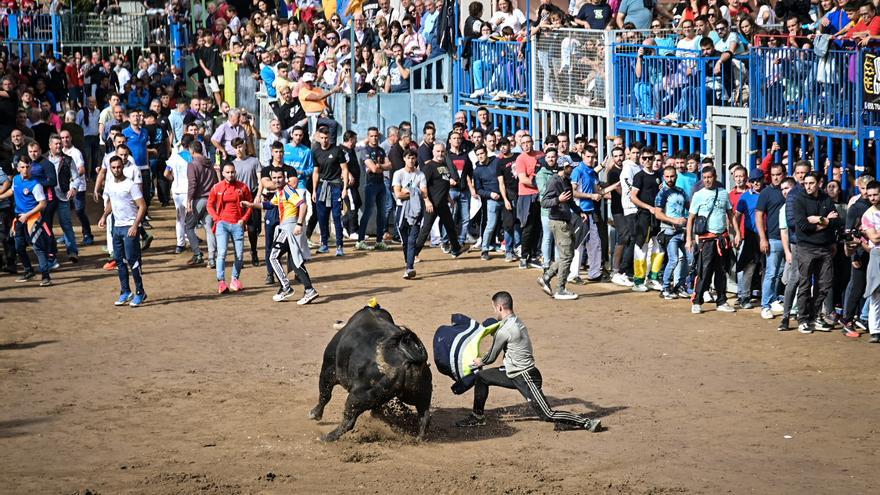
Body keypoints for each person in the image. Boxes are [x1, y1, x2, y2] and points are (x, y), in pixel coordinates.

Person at [455, 291, 601, 431]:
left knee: (547, 414)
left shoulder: (504, 330)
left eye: (494, 308)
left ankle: (586, 422)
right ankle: (477, 416)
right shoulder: (516, 321)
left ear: (500, 307)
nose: (494, 311)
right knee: (482, 377)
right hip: (512, 372)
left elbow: (490, 358)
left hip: (526, 376)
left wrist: (479, 361)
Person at [242, 169, 319, 305]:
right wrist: (252, 205)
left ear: (285, 178)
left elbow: (302, 205)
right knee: (295, 262)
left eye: (279, 177)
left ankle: (286, 287)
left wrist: (299, 224)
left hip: (289, 228)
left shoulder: (288, 190)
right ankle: (309, 289)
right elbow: (270, 205)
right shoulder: (280, 192)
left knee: (273, 256)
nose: (277, 180)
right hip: (288, 228)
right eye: (274, 178)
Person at [686, 166, 739, 314]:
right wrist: (689, 239)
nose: (707, 180)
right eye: (705, 178)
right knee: (704, 270)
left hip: (722, 238)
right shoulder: (698, 195)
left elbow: (730, 214)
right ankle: (697, 301)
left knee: (722, 271)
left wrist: (737, 233)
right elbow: (690, 219)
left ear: (715, 177)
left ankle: (721, 301)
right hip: (706, 239)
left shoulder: (723, 193)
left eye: (710, 177)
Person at [792, 172, 840, 333]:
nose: (808, 186)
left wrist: (819, 219)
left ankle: (814, 316)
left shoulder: (826, 199)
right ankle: (803, 319)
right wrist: (825, 221)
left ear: (819, 183)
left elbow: (836, 222)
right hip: (806, 248)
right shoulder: (799, 200)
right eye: (805, 183)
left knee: (825, 284)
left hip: (825, 248)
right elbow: (803, 226)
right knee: (805, 285)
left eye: (811, 183)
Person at [98, 155, 148, 306]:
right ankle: (125, 291)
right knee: (119, 261)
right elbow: (111, 202)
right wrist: (104, 215)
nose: (116, 170)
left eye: (118, 167)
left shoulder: (130, 185)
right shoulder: (110, 185)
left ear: (123, 167)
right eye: (113, 167)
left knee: (133, 261)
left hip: (129, 227)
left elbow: (142, 206)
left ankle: (140, 292)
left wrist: (135, 225)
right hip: (117, 227)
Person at [537, 150, 584, 301]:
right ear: (564, 167)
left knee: (567, 254)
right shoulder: (555, 181)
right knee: (567, 256)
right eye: (570, 167)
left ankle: (546, 277)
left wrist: (579, 211)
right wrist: (558, 199)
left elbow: (569, 200)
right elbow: (544, 202)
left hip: (566, 220)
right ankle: (560, 289)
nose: (572, 169)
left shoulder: (566, 181)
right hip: (558, 222)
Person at [0, 156, 52, 285]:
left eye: (27, 167)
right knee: (19, 247)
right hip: (19, 218)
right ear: (17, 168)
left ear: (31, 167)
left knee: (38, 248)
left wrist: (27, 215)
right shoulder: (16, 180)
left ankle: (46, 277)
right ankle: (29, 271)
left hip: (33, 219)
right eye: (22, 167)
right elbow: (12, 191)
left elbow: (42, 204)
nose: (25, 170)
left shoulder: (35, 184)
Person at [207, 162, 253, 294]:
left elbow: (249, 205)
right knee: (222, 253)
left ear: (235, 172)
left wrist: (243, 219)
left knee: (239, 254)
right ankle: (221, 281)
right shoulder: (217, 188)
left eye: (232, 172)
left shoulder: (243, 187)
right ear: (222, 173)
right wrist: (217, 219)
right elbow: (209, 205)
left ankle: (234, 279)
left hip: (237, 224)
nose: (230, 174)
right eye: (227, 172)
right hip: (222, 224)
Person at [415, 142, 463, 258]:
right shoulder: (429, 167)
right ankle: (413, 254)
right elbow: (422, 186)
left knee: (450, 227)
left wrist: (449, 198)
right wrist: (427, 201)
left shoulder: (445, 166)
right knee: (426, 229)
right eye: (438, 151)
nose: (440, 154)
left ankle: (455, 249)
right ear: (433, 152)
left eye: (442, 151)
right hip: (432, 204)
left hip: (443, 203)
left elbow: (443, 184)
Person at [755, 164, 788, 319]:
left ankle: (774, 298)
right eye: (773, 174)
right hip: (773, 238)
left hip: (789, 239)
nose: (776, 177)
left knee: (781, 272)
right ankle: (765, 305)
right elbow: (759, 215)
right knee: (771, 273)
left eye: (779, 174)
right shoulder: (766, 193)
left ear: (784, 174)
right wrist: (763, 238)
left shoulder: (790, 190)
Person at [654, 165, 691, 299]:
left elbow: (690, 207)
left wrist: (687, 220)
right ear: (664, 177)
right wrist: (674, 221)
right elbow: (658, 214)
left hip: (683, 231)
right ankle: (665, 288)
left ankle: (680, 286)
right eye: (667, 176)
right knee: (674, 259)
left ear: (676, 176)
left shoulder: (681, 191)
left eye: (672, 176)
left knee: (689, 259)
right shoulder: (662, 193)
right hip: (669, 231)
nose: (670, 179)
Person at [311, 127, 350, 256]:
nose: (324, 140)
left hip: (335, 186)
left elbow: (344, 170)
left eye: (326, 138)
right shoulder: (315, 152)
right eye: (321, 138)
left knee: (336, 216)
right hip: (322, 187)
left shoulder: (337, 150)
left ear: (330, 137)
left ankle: (339, 246)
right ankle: (324, 244)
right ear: (318, 137)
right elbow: (315, 172)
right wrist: (314, 191)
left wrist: (344, 188)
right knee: (322, 216)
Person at [392, 148, 428, 279]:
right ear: (404, 159)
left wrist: (409, 191)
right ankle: (408, 263)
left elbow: (424, 193)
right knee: (405, 241)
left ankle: (410, 267)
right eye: (408, 158)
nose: (411, 160)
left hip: (416, 210)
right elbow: (398, 194)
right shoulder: (398, 174)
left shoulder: (420, 175)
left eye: (413, 158)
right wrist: (414, 192)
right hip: (401, 210)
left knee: (412, 240)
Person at [569, 146, 603, 283]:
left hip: (591, 212)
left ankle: (594, 273)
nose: (591, 159)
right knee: (579, 244)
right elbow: (573, 192)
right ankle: (573, 274)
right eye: (588, 156)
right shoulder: (578, 171)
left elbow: (598, 191)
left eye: (593, 157)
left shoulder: (593, 173)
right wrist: (591, 196)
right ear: (583, 156)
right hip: (579, 211)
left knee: (595, 242)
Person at [185, 141, 218, 267]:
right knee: (209, 228)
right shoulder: (210, 163)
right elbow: (215, 181)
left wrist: (189, 201)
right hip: (210, 199)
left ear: (192, 151)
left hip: (199, 199)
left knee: (188, 226)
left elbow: (192, 184)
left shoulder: (192, 165)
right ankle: (211, 258)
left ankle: (197, 253)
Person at [734, 169, 764, 309]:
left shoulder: (768, 194)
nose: (756, 183)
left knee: (767, 268)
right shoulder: (745, 197)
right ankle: (744, 296)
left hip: (768, 235)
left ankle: (768, 299)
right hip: (751, 235)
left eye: (758, 179)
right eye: (753, 181)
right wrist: (738, 234)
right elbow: (736, 217)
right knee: (749, 267)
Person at [357, 127, 391, 251]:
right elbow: (373, 169)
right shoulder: (364, 151)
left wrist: (380, 166)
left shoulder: (381, 150)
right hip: (370, 185)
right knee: (368, 212)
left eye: (376, 136)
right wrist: (381, 167)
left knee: (382, 213)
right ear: (368, 137)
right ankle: (360, 240)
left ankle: (379, 241)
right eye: (371, 136)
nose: (374, 138)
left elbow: (389, 165)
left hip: (381, 184)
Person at [232, 137, 262, 266]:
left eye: (240, 146)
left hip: (252, 195)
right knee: (238, 228)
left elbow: (260, 180)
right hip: (238, 198)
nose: (239, 149)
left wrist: (258, 195)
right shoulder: (232, 164)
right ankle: (238, 256)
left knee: (252, 228)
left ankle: (254, 251)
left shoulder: (254, 161)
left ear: (244, 147)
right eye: (236, 147)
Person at [859, 180, 880, 344]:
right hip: (876, 254)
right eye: (870, 195)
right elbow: (874, 237)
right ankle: (875, 330)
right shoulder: (868, 215)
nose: (872, 197)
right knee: (875, 293)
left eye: (875, 194)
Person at [165, 134, 193, 254]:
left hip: (176, 190)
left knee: (179, 218)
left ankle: (180, 244)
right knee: (191, 218)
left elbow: (166, 173)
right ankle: (192, 241)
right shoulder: (191, 157)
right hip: (188, 190)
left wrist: (174, 180)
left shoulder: (174, 156)